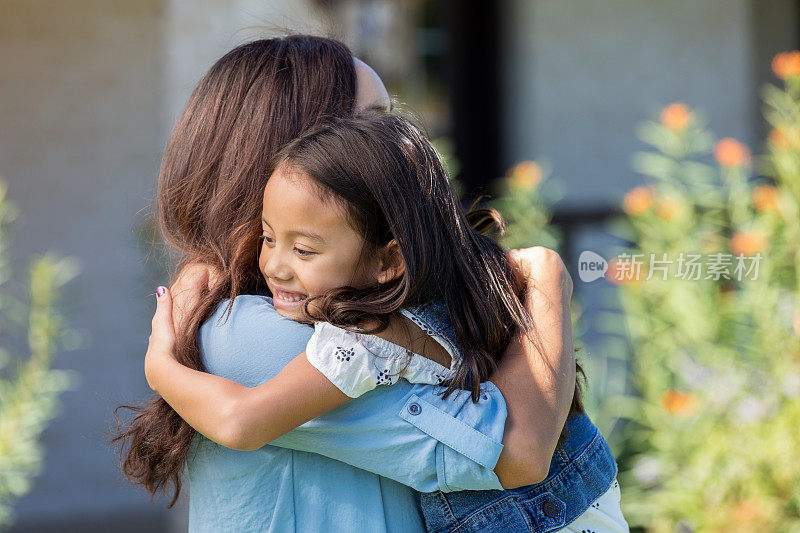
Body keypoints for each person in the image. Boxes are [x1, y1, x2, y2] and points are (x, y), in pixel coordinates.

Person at [115, 35, 613, 532]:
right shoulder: (260, 335)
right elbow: (517, 451)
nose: (397, 142)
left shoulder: (363, 317)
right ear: (296, 155)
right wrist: (546, 276)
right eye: (371, 121)